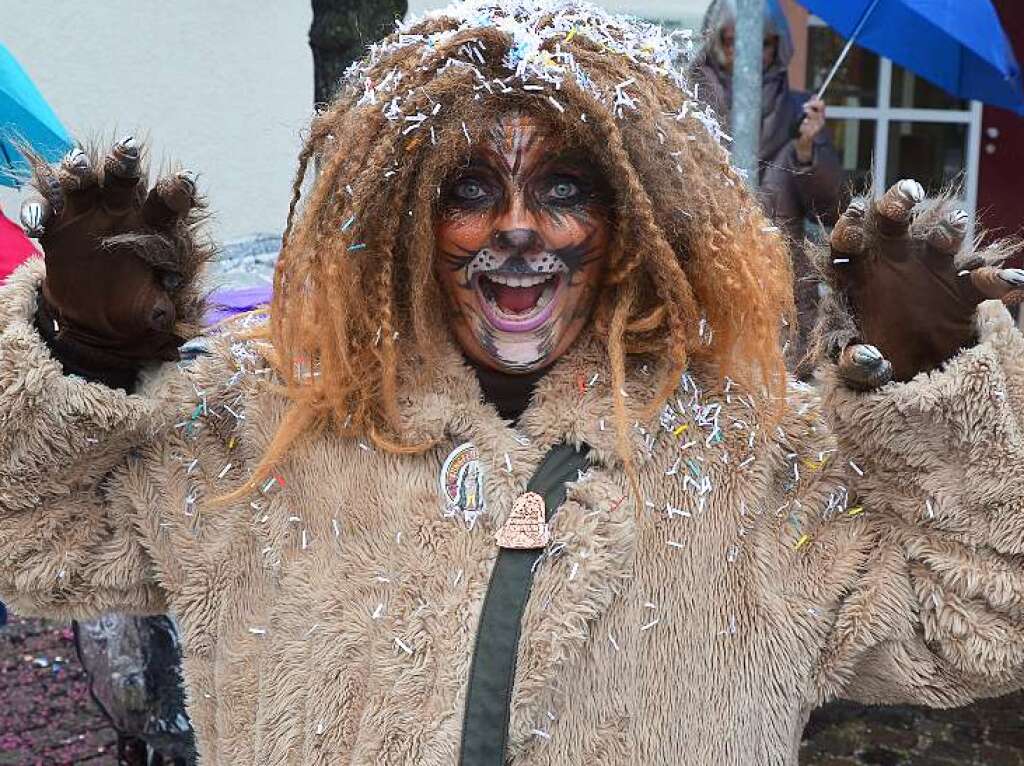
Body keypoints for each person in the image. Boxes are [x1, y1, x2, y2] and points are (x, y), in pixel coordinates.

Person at [2, 2, 1024, 764]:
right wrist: (83, 351)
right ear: (405, 217)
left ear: (631, 217)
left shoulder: (750, 455)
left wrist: (939, 402)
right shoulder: (265, 421)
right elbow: (31, 537)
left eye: (564, 189)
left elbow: (976, 630)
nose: (519, 230)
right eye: (470, 190)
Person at [694, 0, 843, 375]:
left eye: (763, 42)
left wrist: (808, 151)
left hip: (782, 296)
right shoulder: (686, 103)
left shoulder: (800, 112)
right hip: (705, 289)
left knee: (780, 412)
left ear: (778, 47)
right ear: (716, 43)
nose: (747, 51)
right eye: (733, 41)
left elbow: (831, 209)